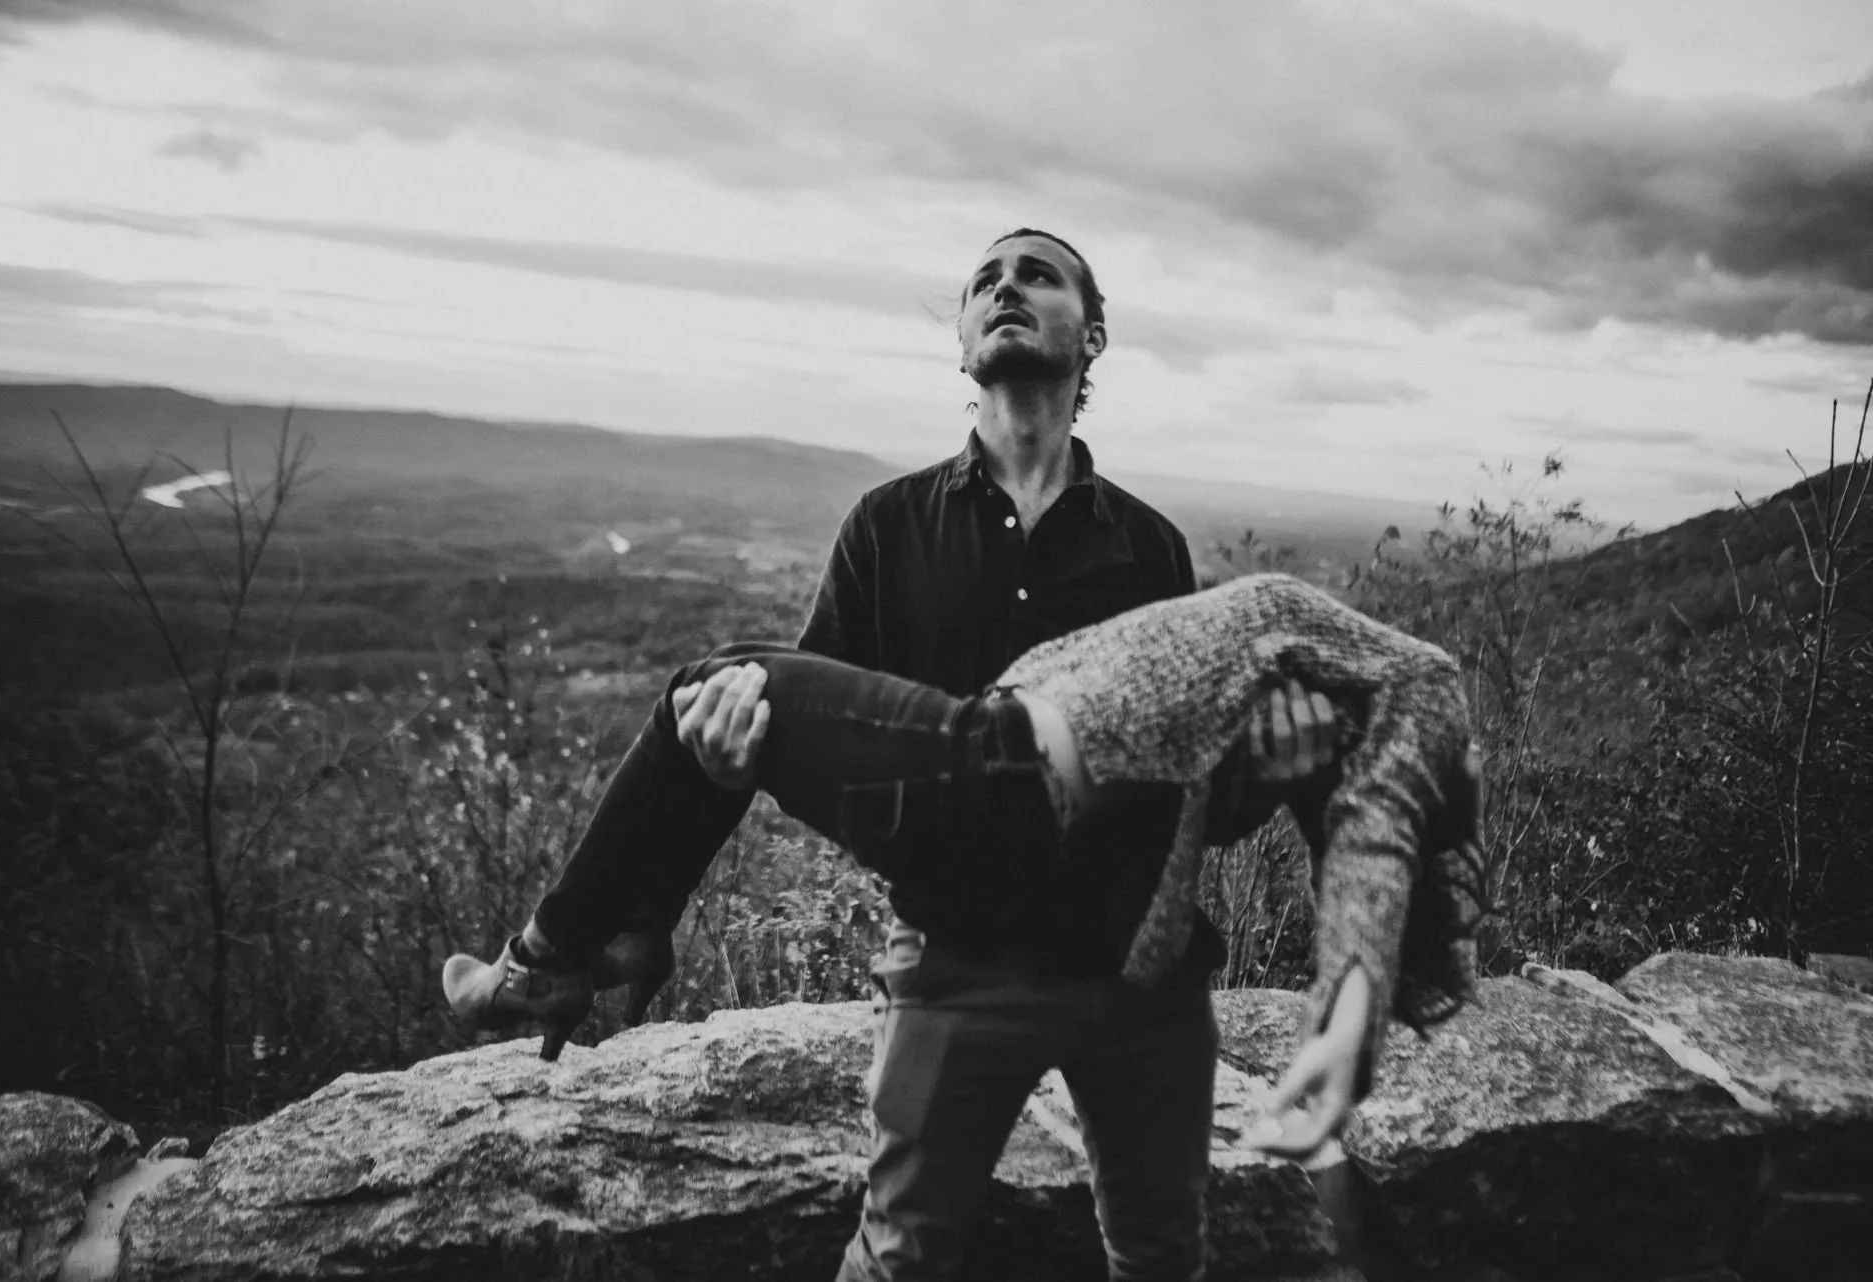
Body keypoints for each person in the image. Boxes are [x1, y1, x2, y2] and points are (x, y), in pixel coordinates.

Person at [447, 228, 1389, 1282]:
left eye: (1037, 274)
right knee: (902, 1263)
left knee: (1162, 1259)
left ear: (1095, 335)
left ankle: (575, 948)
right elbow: (815, 739)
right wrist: (727, 759)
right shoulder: (886, 527)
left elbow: (1196, 802)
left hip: (1140, 973)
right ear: (960, 340)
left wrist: (1269, 770)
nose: (1006, 287)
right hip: (958, 958)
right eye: (985, 279)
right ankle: (596, 938)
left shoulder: (1150, 547)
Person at [443, 573, 1486, 1248]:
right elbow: (1318, 819)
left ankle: (548, 959)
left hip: (996, 787)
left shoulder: (1410, 696)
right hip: (971, 856)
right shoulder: (895, 529)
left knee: (712, 679)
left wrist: (1348, 1014)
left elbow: (1372, 831)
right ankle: (603, 944)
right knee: (722, 705)